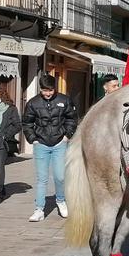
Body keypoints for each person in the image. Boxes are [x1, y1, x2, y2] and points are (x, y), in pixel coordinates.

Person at [23, 75, 77, 222]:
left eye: (50, 90)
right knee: (42, 179)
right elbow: (27, 122)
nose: (47, 93)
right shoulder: (33, 103)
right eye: (44, 90)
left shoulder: (64, 100)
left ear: (55, 88)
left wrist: (67, 135)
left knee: (60, 176)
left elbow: (72, 119)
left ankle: (61, 200)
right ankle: (39, 209)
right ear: (40, 89)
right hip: (41, 143)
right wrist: (32, 139)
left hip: (60, 143)